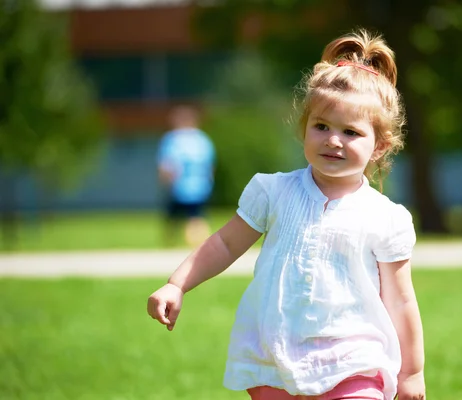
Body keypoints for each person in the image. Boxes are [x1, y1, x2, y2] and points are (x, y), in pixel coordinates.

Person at [147, 29, 426, 400]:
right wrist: (176, 283)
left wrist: (411, 372)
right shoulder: (274, 192)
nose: (333, 140)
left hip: (354, 361)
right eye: (322, 126)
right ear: (304, 128)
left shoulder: (386, 217)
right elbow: (226, 243)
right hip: (277, 358)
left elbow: (401, 299)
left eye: (351, 132)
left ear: (380, 146)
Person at [157, 105, 216, 247]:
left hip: (179, 186)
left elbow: (167, 165)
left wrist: (164, 181)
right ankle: (200, 244)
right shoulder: (203, 140)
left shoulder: (173, 139)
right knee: (196, 217)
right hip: (201, 186)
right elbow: (210, 166)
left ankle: (170, 244)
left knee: (172, 218)